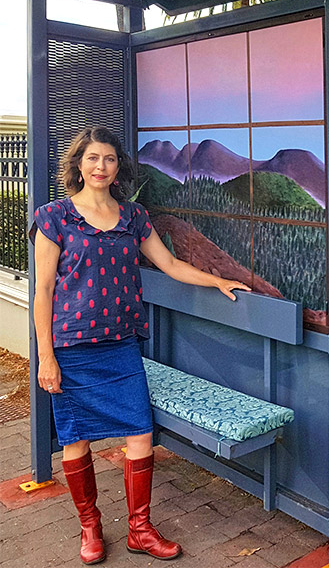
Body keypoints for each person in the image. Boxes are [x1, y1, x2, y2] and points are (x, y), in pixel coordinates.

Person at [31, 126, 250, 565]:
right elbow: (44, 290)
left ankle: (139, 528)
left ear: (118, 166)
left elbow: (169, 263)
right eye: (92, 158)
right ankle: (89, 527)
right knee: (76, 439)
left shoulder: (133, 217)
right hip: (71, 348)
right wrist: (47, 358)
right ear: (78, 164)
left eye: (109, 159)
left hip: (121, 346)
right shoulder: (54, 217)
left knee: (140, 432)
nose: (101, 166)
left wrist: (217, 280)